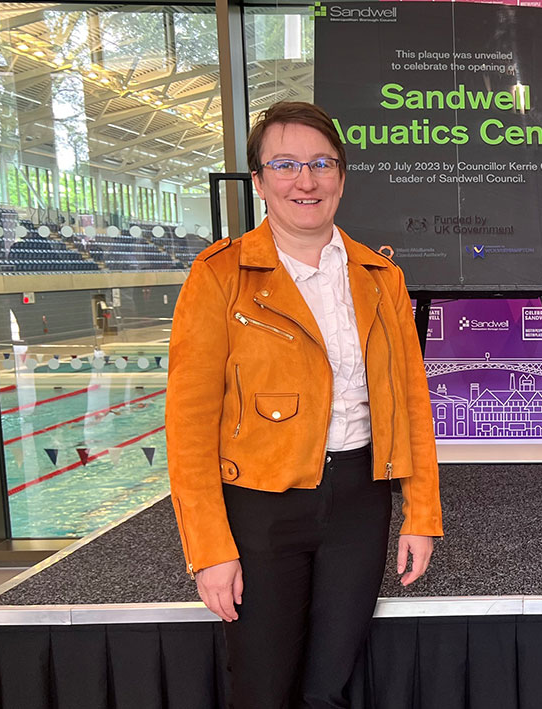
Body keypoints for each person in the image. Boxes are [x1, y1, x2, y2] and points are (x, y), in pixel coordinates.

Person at [166, 101, 442, 708]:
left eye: (321, 163)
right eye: (285, 164)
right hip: (260, 508)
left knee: (329, 686)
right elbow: (188, 426)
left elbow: (410, 402)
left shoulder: (380, 277)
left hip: (358, 502)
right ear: (260, 181)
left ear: (342, 176)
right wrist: (209, 550)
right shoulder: (220, 276)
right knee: (262, 687)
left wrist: (421, 512)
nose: (305, 181)